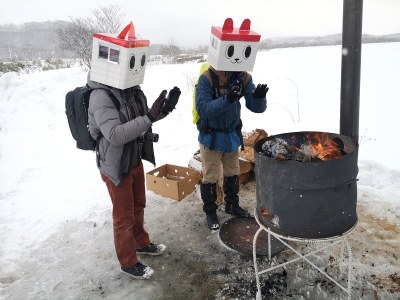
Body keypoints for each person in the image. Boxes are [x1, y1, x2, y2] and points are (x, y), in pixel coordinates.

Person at [87, 22, 181, 279]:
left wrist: (162, 111)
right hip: (115, 165)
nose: (136, 66)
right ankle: (128, 261)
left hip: (134, 158)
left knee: (139, 204)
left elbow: (141, 121)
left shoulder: (130, 90)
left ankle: (141, 243)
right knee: (123, 215)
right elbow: (116, 134)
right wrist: (149, 117)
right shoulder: (100, 96)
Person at [195, 18, 268, 230]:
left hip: (231, 136)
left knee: (232, 172)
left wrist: (258, 98)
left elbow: (256, 108)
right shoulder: (207, 78)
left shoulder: (243, 77)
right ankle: (210, 212)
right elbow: (204, 109)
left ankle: (232, 205)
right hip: (211, 136)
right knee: (210, 176)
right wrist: (227, 100)